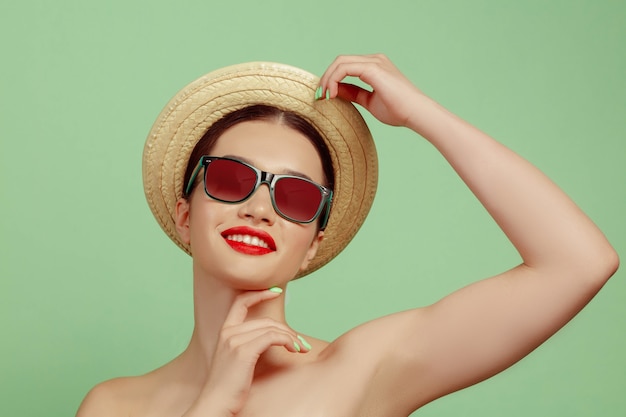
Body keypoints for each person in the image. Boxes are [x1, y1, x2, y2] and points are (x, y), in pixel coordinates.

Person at [76, 54, 619, 417]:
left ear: (314, 240)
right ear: (184, 214)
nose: (260, 206)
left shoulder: (361, 372)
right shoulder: (112, 406)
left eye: (294, 197)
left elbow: (579, 262)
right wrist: (213, 404)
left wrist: (422, 114)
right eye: (231, 179)